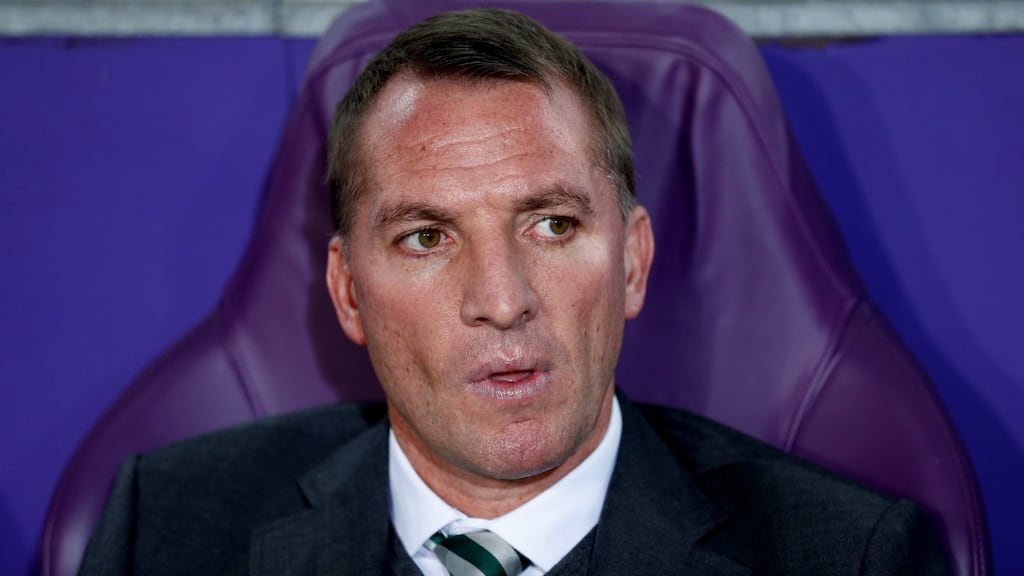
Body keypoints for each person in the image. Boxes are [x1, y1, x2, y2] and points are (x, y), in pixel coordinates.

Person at [80, 8, 948, 575]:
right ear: (347, 294)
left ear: (633, 262)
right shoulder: (165, 532)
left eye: (552, 225)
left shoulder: (850, 557)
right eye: (427, 237)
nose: (501, 300)